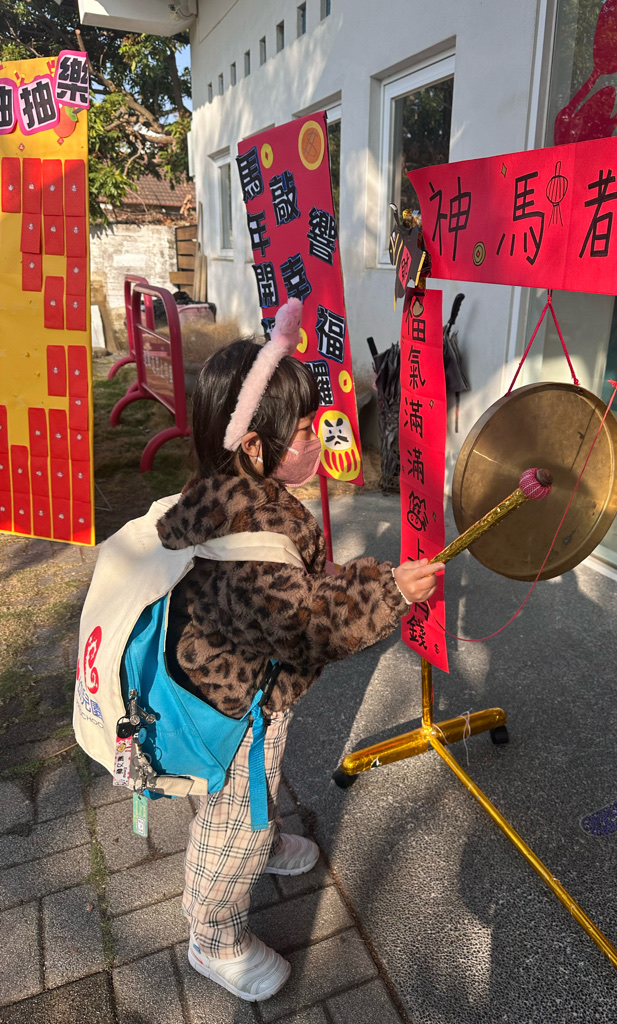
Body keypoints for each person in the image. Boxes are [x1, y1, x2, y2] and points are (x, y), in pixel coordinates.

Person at [155, 298, 443, 1002]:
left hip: (249, 694)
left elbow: (305, 583)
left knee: (257, 788)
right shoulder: (245, 537)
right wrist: (391, 594)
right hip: (230, 709)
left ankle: (266, 836)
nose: (319, 438)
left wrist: (370, 578)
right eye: (306, 430)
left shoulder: (236, 490)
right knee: (230, 823)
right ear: (256, 446)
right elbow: (308, 623)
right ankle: (212, 936)